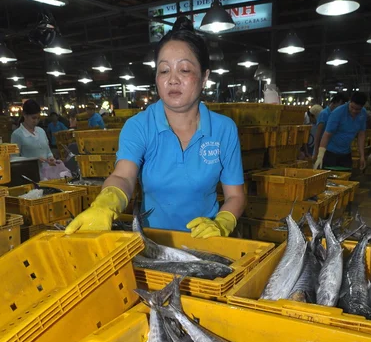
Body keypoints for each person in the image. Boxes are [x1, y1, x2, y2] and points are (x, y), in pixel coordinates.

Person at [65, 16, 245, 237]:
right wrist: (105, 204)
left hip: (207, 241)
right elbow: (123, 176)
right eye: (164, 70)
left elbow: (235, 196)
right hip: (153, 242)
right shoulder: (139, 126)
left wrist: (222, 222)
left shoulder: (224, 129)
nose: (173, 79)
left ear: (205, 76)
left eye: (185, 70)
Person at [314, 92, 368, 170]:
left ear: (362, 107)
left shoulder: (363, 114)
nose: (354, 111)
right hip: (330, 153)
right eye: (352, 107)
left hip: (346, 154)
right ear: (350, 102)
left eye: (357, 109)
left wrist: (362, 156)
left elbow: (361, 134)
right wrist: (320, 156)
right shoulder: (337, 113)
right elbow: (326, 135)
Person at [11, 99, 57, 176]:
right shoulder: (17, 135)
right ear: (24, 115)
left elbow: (48, 151)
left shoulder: (41, 131)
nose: (36, 121)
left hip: (47, 174)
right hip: (30, 175)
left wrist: (50, 158)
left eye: (38, 118)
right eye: (33, 118)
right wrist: (33, 160)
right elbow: (14, 159)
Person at [312, 93, 348, 161]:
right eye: (342, 105)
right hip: (322, 150)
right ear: (338, 102)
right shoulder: (324, 114)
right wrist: (316, 153)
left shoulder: (337, 115)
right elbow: (318, 135)